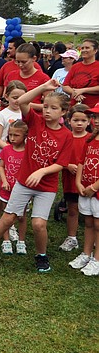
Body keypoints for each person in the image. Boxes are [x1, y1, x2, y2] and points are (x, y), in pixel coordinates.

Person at [0, 80, 72, 272]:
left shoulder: (66, 135)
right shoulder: (35, 122)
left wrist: (42, 171)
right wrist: (44, 87)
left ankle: (41, 256)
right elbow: (22, 101)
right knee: (7, 218)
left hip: (46, 187)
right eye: (45, 106)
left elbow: (61, 163)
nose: (47, 111)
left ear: (63, 113)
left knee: (38, 224)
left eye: (53, 108)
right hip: (24, 182)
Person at [0, 81, 27, 237]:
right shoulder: (2, 114)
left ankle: (12, 222)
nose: (17, 101)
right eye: (14, 97)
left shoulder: (26, 113)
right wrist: (10, 150)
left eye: (21, 97)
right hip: (2, 159)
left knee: (18, 193)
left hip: (22, 160)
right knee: (3, 192)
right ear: (7, 97)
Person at [0, 121, 29, 255]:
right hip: (7, 189)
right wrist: (4, 180)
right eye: (10, 135)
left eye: (16, 135)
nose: (12, 138)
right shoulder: (7, 150)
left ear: (25, 136)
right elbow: (1, 166)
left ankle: (21, 241)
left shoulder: (28, 152)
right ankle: (6, 240)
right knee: (6, 215)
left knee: (22, 216)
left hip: (22, 190)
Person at [71, 107, 99, 275]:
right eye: (94, 116)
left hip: (95, 190)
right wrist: (78, 183)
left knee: (98, 224)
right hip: (85, 188)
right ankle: (86, 253)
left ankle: (97, 259)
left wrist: (94, 187)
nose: (96, 120)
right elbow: (82, 161)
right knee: (88, 222)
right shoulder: (90, 139)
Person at [59, 104, 90, 252]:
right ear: (68, 120)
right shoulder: (65, 137)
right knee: (72, 209)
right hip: (70, 181)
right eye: (76, 120)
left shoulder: (91, 139)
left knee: (92, 212)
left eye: (83, 120)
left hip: (89, 181)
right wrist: (68, 166)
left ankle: (94, 239)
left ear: (89, 122)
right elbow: (56, 158)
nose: (79, 123)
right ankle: (71, 238)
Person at [63, 39, 99, 108]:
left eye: (87, 48)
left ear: (95, 50)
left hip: (93, 108)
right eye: (82, 48)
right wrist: (75, 93)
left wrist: (83, 90)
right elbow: (65, 86)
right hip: (75, 108)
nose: (83, 50)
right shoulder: (75, 66)